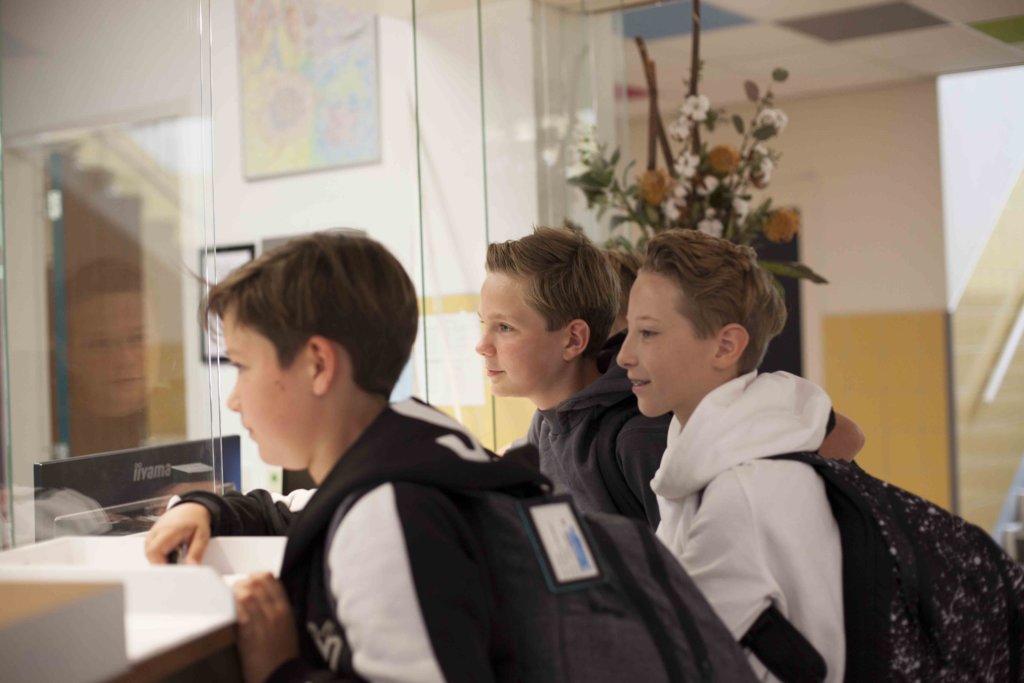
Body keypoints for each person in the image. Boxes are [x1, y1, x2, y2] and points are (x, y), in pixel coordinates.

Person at [145, 232, 755, 683]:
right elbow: (310, 507)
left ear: (318, 364)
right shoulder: (419, 450)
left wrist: (282, 670)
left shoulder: (392, 512)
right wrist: (209, 508)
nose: (233, 397)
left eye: (242, 366)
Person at [478, 226, 862, 529]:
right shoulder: (546, 427)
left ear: (574, 339)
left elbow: (684, 576)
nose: (482, 345)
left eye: (505, 327)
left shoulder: (638, 436)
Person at [617, 229, 845, 681]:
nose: (624, 355)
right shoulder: (704, 461)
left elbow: (675, 662)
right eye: (629, 331)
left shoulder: (742, 491)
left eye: (648, 333)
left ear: (725, 346)